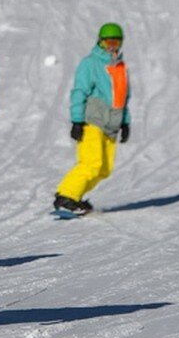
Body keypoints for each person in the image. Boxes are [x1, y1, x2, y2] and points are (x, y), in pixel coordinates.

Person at [53, 23, 131, 217]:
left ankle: (74, 196)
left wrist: (125, 122)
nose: (112, 46)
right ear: (100, 41)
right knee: (91, 163)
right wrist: (77, 121)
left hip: (111, 126)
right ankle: (66, 196)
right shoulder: (90, 64)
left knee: (104, 169)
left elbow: (124, 97)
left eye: (116, 42)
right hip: (92, 122)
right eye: (108, 42)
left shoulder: (120, 67)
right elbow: (79, 92)